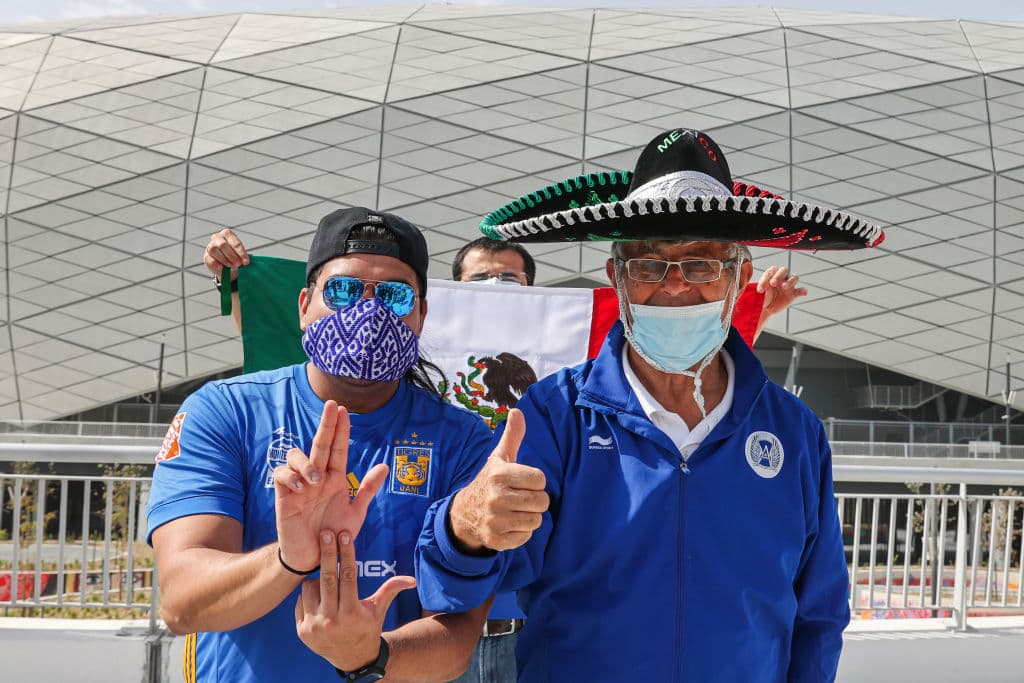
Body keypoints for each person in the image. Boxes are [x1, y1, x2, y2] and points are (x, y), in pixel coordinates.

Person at [415, 128, 885, 681]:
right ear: (618, 277)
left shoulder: (793, 430)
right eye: (649, 264)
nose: (675, 286)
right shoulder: (555, 414)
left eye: (701, 264)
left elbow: (820, 611)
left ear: (738, 277)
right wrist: (465, 524)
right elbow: (460, 578)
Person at [148, 207, 494, 683]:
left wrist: (366, 654)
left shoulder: (466, 441)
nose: (368, 311)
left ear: (421, 314)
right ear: (305, 305)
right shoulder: (224, 412)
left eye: (393, 295)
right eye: (344, 290)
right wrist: (291, 557)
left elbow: (458, 636)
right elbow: (183, 604)